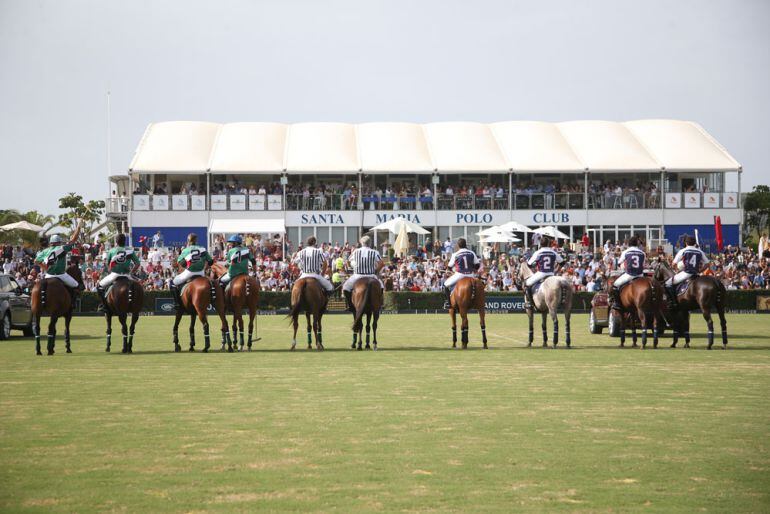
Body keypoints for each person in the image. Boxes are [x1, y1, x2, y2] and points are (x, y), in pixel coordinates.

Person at [34, 221, 83, 302]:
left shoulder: (44, 251)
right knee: (76, 285)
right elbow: (73, 240)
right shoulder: (62, 248)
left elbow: (36, 261)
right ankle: (72, 303)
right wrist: (78, 227)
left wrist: (45, 267)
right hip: (61, 275)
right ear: (59, 242)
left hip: (49, 275)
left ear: (51, 243)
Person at [96, 233, 141, 312]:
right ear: (125, 241)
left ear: (116, 241)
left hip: (114, 274)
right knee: (140, 288)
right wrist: (131, 272)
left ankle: (104, 305)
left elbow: (108, 264)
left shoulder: (111, 250)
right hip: (127, 275)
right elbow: (137, 263)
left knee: (99, 286)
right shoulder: (130, 250)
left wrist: (110, 270)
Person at [168, 233, 213, 309]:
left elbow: (180, 262)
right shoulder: (202, 249)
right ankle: (212, 299)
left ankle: (177, 303)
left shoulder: (186, 250)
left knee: (172, 283)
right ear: (196, 240)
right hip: (201, 272)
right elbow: (211, 261)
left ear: (188, 240)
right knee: (212, 284)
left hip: (189, 272)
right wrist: (204, 266)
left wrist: (186, 264)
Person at [342, 235, 384, 312]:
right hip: (371, 275)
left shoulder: (355, 251)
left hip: (357, 275)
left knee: (345, 288)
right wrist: (376, 271)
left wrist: (351, 268)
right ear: (370, 243)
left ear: (361, 243)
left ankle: (350, 306)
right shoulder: (375, 252)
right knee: (381, 287)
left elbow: (347, 261)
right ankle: (380, 304)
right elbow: (381, 264)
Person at [665, 235, 709, 304]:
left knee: (667, 283)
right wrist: (700, 271)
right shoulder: (700, 251)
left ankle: (673, 302)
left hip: (686, 274)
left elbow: (673, 264)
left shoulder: (683, 250)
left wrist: (676, 270)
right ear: (694, 243)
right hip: (696, 274)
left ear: (686, 243)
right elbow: (707, 264)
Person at [524, 236, 563, 308]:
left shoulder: (538, 252)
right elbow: (562, 262)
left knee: (527, 283)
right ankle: (562, 300)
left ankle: (529, 303)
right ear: (548, 244)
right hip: (551, 274)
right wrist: (557, 270)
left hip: (541, 273)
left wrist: (534, 269)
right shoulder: (553, 252)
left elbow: (529, 264)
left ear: (540, 244)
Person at [609, 235, 645, 312]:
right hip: (640, 275)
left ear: (629, 244)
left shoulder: (626, 252)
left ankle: (617, 304)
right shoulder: (642, 253)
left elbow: (619, 263)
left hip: (629, 275)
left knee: (615, 285)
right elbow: (643, 265)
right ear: (637, 244)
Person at [442, 238, 480, 304]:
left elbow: (449, 267)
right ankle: (481, 303)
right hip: (471, 275)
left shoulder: (455, 254)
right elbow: (477, 265)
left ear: (458, 245)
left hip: (459, 275)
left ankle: (448, 303)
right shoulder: (472, 253)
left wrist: (448, 271)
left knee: (445, 285)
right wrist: (473, 270)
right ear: (466, 245)